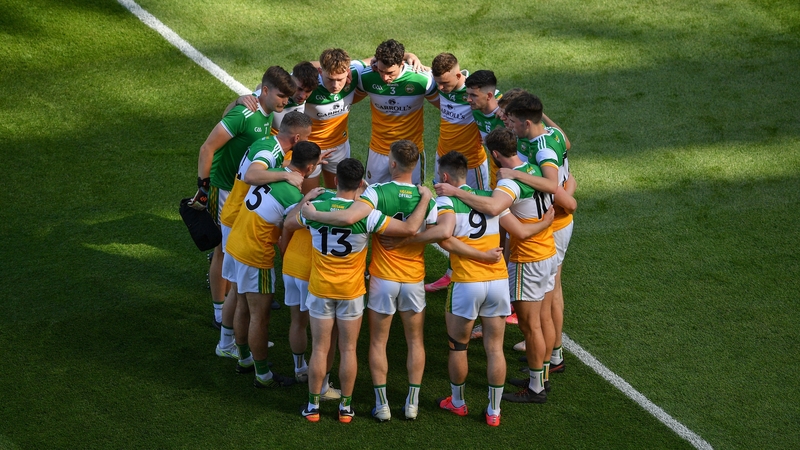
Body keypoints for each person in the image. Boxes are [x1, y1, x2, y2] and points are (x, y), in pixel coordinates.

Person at [300, 140, 437, 421]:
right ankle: (350, 408)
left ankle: (317, 406)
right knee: (354, 348)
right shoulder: (374, 215)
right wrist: (425, 198)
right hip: (365, 289)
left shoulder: (321, 206)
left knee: (322, 348)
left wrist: (309, 207)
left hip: (332, 286)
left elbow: (295, 220)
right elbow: (414, 228)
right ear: (361, 181)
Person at [435, 129, 570, 404]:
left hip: (527, 259)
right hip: (547, 253)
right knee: (541, 320)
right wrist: (545, 224)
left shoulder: (508, 183)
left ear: (494, 154)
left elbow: (495, 208)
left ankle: (536, 388)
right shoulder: (534, 170)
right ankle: (539, 377)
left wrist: (453, 192)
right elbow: (568, 184)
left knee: (531, 326)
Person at [423, 151, 553, 426]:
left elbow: (444, 236)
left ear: (445, 177)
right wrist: (545, 222)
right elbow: (521, 231)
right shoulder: (492, 199)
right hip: (497, 283)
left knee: (458, 347)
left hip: (466, 283)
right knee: (495, 349)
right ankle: (494, 412)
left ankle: (457, 403)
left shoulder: (446, 201)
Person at [188, 66, 295, 329]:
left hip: (241, 188)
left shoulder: (268, 112)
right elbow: (207, 147)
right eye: (282, 96)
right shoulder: (245, 112)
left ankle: (241, 298)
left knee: (236, 244)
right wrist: (203, 188)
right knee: (223, 249)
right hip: (223, 187)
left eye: (287, 98)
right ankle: (218, 309)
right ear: (266, 91)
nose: (285, 102)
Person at [214, 111, 312, 359]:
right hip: (240, 220)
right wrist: (286, 174)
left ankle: (230, 343)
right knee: (240, 293)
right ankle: (231, 346)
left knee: (239, 290)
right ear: (298, 138)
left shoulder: (268, 143)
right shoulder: (269, 154)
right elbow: (252, 175)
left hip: (240, 217)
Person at [225, 141, 322, 388]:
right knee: (260, 316)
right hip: (255, 255)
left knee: (241, 304)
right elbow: (291, 223)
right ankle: (263, 376)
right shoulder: (293, 194)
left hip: (236, 242)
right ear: (310, 167)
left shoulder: (276, 171)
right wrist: (306, 200)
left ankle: (245, 359)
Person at [501, 93, 575, 378]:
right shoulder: (552, 132)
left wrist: (517, 175)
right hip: (557, 222)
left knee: (549, 294)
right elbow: (566, 143)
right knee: (551, 291)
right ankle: (552, 354)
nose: (511, 126)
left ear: (527, 122)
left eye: (514, 121)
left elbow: (551, 184)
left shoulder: (542, 149)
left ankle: (550, 357)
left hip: (552, 225)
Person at [358, 39, 438, 185]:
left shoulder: (421, 79)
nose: (384, 77)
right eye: (381, 71)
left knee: (411, 202)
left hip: (410, 152)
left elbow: (446, 103)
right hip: (378, 151)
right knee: (373, 198)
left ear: (402, 64)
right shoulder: (366, 77)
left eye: (390, 73)